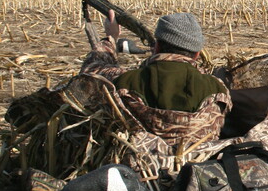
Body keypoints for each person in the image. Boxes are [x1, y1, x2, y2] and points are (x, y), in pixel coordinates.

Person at [80, 10, 231, 143]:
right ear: (197, 54)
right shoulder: (218, 89)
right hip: (200, 170)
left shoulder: (124, 81)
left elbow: (89, 72)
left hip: (140, 170)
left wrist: (110, 38)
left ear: (157, 46)